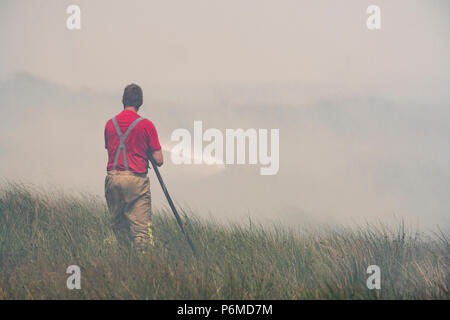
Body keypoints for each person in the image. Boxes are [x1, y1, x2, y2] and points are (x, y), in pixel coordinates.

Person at [104, 83, 163, 249]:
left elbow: (112, 149)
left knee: (117, 228)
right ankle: (143, 267)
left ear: (123, 100)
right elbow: (159, 159)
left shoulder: (110, 124)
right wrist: (147, 152)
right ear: (141, 102)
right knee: (142, 231)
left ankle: (114, 261)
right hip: (135, 181)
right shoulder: (146, 125)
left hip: (113, 178)